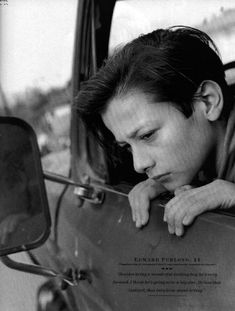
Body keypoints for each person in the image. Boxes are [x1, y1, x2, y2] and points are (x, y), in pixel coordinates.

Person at [75, 26, 235, 237]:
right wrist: (185, 184)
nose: (139, 165)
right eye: (127, 147)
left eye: (147, 135)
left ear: (207, 102)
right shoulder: (202, 158)